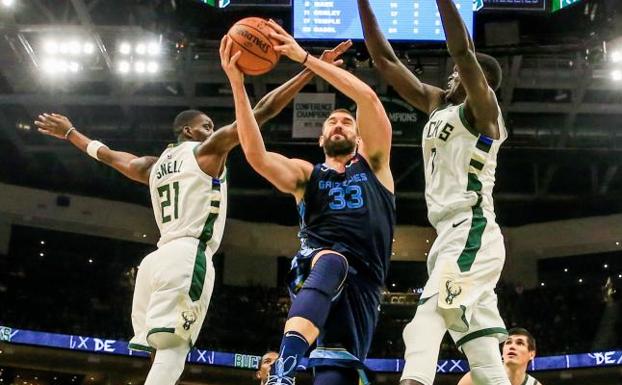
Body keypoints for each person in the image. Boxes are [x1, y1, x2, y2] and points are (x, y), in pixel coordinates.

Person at [32, 40, 350, 385]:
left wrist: (70, 133)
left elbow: (106, 154)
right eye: (207, 126)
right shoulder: (206, 151)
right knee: (173, 351)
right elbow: (261, 112)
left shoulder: (151, 166)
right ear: (189, 131)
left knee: (160, 347)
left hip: (155, 261)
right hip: (187, 256)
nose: (213, 131)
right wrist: (310, 67)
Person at [220, 20, 396, 385]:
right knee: (332, 260)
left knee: (336, 373)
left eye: (346, 122)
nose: (338, 125)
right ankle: (284, 369)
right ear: (320, 139)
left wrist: (306, 59)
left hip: (365, 283)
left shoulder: (375, 166)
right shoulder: (307, 175)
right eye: (331, 121)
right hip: (318, 264)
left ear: (359, 136)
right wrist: (238, 85)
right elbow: (256, 154)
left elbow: (369, 98)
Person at [357, 1, 509, 385]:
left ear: (480, 82)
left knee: (427, 317)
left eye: (461, 74)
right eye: (454, 74)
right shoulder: (437, 103)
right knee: (483, 352)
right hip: (448, 234)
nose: (453, 75)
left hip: (472, 229)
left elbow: (462, 50)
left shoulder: (483, 111)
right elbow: (386, 61)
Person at [458, 328, 542, 385]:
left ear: (531, 354)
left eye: (520, 343)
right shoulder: (480, 375)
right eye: (508, 342)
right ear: (502, 352)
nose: (512, 346)